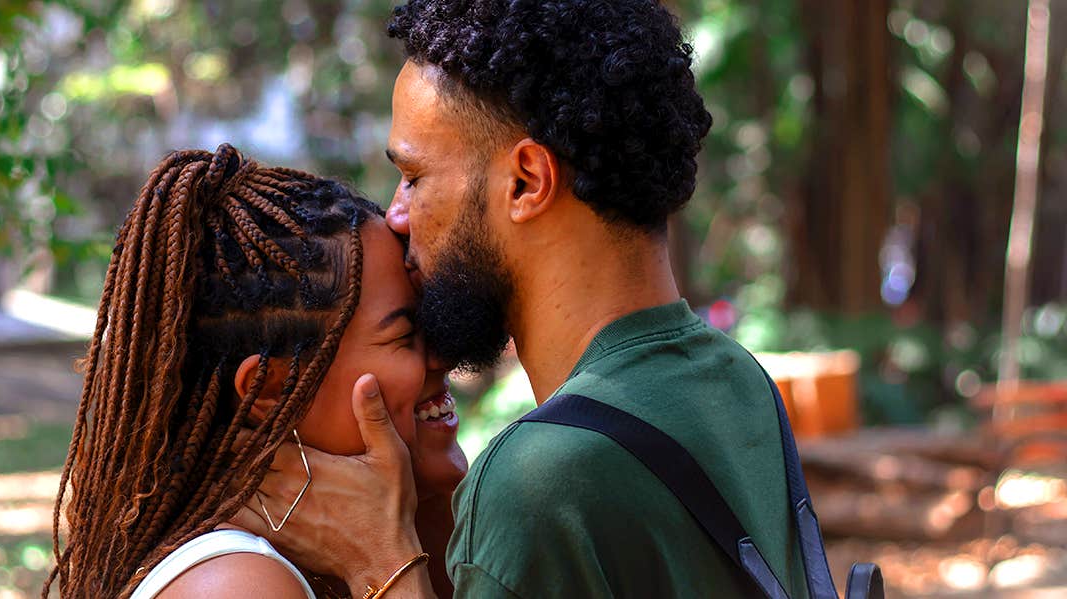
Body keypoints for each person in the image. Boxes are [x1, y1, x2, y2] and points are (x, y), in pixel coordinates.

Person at [253, 1, 813, 597]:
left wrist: (381, 565)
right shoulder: (739, 381)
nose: (396, 215)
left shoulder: (538, 485)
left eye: (414, 177)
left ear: (526, 182)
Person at [43, 144, 467, 599]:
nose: (443, 356)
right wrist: (384, 562)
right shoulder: (237, 585)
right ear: (272, 392)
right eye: (405, 337)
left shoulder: (400, 525)